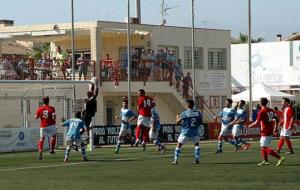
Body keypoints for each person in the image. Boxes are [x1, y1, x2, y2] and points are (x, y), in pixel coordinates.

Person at [248, 97, 285, 166]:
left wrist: (251, 125)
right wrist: (275, 128)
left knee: (264, 147)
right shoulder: (271, 110)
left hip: (265, 130)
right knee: (262, 146)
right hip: (269, 129)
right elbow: (277, 119)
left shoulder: (261, 111)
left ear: (260, 103)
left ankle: (280, 158)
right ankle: (265, 160)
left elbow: (256, 122)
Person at [172, 99, 203, 165]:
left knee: (179, 145)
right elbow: (200, 122)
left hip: (185, 132)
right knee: (197, 144)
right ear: (193, 105)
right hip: (195, 132)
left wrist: (177, 117)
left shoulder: (184, 113)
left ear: (187, 105)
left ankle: (175, 160)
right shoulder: (198, 113)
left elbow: (177, 122)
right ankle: (197, 159)